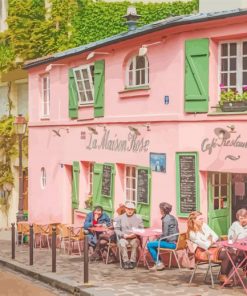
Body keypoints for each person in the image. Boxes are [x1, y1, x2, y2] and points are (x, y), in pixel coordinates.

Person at [187, 211, 237, 285]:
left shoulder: (204, 225)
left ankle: (226, 276)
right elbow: (204, 245)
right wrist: (210, 240)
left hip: (213, 248)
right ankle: (223, 276)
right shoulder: (192, 233)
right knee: (227, 254)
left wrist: (210, 240)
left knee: (232, 252)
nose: (202, 221)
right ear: (194, 220)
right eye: (200, 219)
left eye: (202, 219)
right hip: (202, 252)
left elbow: (215, 236)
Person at [147, 202, 179, 271]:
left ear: (162, 210)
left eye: (160, 209)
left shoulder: (166, 219)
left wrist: (158, 239)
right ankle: (159, 263)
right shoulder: (173, 218)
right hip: (176, 242)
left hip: (171, 244)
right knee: (154, 243)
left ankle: (159, 263)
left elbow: (165, 235)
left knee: (150, 245)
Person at [114, 201, 144, 269]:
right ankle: (126, 261)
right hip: (124, 237)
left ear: (134, 210)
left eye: (132, 209)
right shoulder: (120, 217)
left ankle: (133, 261)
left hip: (134, 237)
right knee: (121, 243)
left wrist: (135, 233)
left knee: (135, 243)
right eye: (128, 209)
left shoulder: (138, 218)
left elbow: (141, 229)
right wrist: (123, 235)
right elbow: (116, 229)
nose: (130, 211)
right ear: (125, 209)